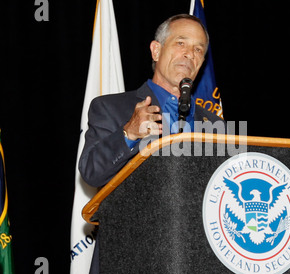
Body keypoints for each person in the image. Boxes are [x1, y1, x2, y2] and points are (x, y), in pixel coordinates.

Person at [79, 14, 225, 188]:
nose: (189, 54)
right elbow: (91, 173)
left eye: (198, 50)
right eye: (180, 43)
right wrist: (129, 133)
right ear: (156, 51)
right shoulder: (110, 108)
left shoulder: (216, 125)